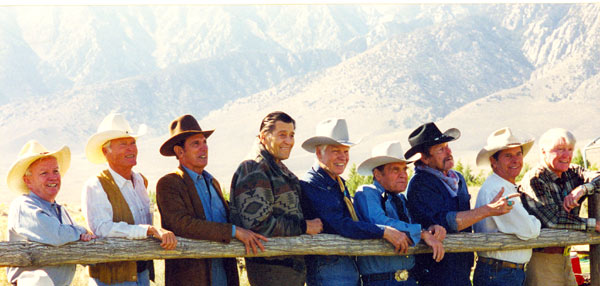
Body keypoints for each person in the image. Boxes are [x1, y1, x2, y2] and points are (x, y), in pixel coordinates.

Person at [156, 114, 267, 286]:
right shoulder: (170, 183)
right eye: (196, 144)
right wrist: (233, 231)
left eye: (204, 142)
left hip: (224, 274)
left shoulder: (212, 182)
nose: (204, 148)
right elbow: (181, 224)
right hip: (191, 278)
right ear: (179, 151)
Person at [300, 118, 411, 286]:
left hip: (344, 265)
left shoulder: (337, 182)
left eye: (345, 151)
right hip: (328, 268)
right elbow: (340, 224)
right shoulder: (312, 184)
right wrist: (383, 232)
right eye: (336, 151)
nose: (343, 157)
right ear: (318, 153)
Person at [404, 122, 517, 286]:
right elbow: (444, 221)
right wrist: (488, 210)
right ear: (425, 158)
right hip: (436, 271)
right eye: (441, 150)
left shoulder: (458, 179)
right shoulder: (420, 184)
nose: (449, 152)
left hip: (461, 266)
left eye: (447, 146)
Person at [82, 112, 177, 286]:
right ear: (105, 151)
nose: (131, 149)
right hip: (112, 278)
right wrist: (148, 230)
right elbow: (103, 228)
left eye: (133, 143)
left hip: (140, 272)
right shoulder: (96, 185)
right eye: (123, 144)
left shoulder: (140, 181)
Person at [230, 111, 323, 286]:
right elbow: (258, 225)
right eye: (282, 135)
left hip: (286, 270)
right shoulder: (254, 168)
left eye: (291, 135)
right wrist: (304, 227)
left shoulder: (274, 166)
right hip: (271, 271)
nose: (289, 141)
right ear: (264, 136)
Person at [354, 141, 446, 286]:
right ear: (377, 174)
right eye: (395, 170)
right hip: (381, 281)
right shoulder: (367, 192)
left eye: (404, 169)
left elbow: (410, 225)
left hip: (408, 279)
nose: (403, 175)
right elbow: (379, 221)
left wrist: (431, 229)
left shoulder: (401, 199)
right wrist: (422, 234)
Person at [6, 140, 96, 286]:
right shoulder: (24, 206)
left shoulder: (59, 210)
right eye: (44, 173)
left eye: (55, 171)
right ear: (27, 180)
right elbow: (57, 235)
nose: (53, 177)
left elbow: (69, 236)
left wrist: (81, 236)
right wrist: (81, 230)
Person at [520, 128, 600, 286]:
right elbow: (553, 220)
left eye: (570, 150)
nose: (566, 155)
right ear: (543, 152)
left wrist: (583, 189)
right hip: (542, 260)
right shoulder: (535, 178)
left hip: (565, 256)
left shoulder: (573, 172)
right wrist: (593, 225)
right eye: (560, 150)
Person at [473, 127, 541, 286]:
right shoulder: (498, 190)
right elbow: (529, 230)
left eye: (518, 154)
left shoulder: (503, 186)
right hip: (500, 273)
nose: (516, 160)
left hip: (502, 272)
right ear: (493, 162)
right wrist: (535, 221)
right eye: (508, 156)